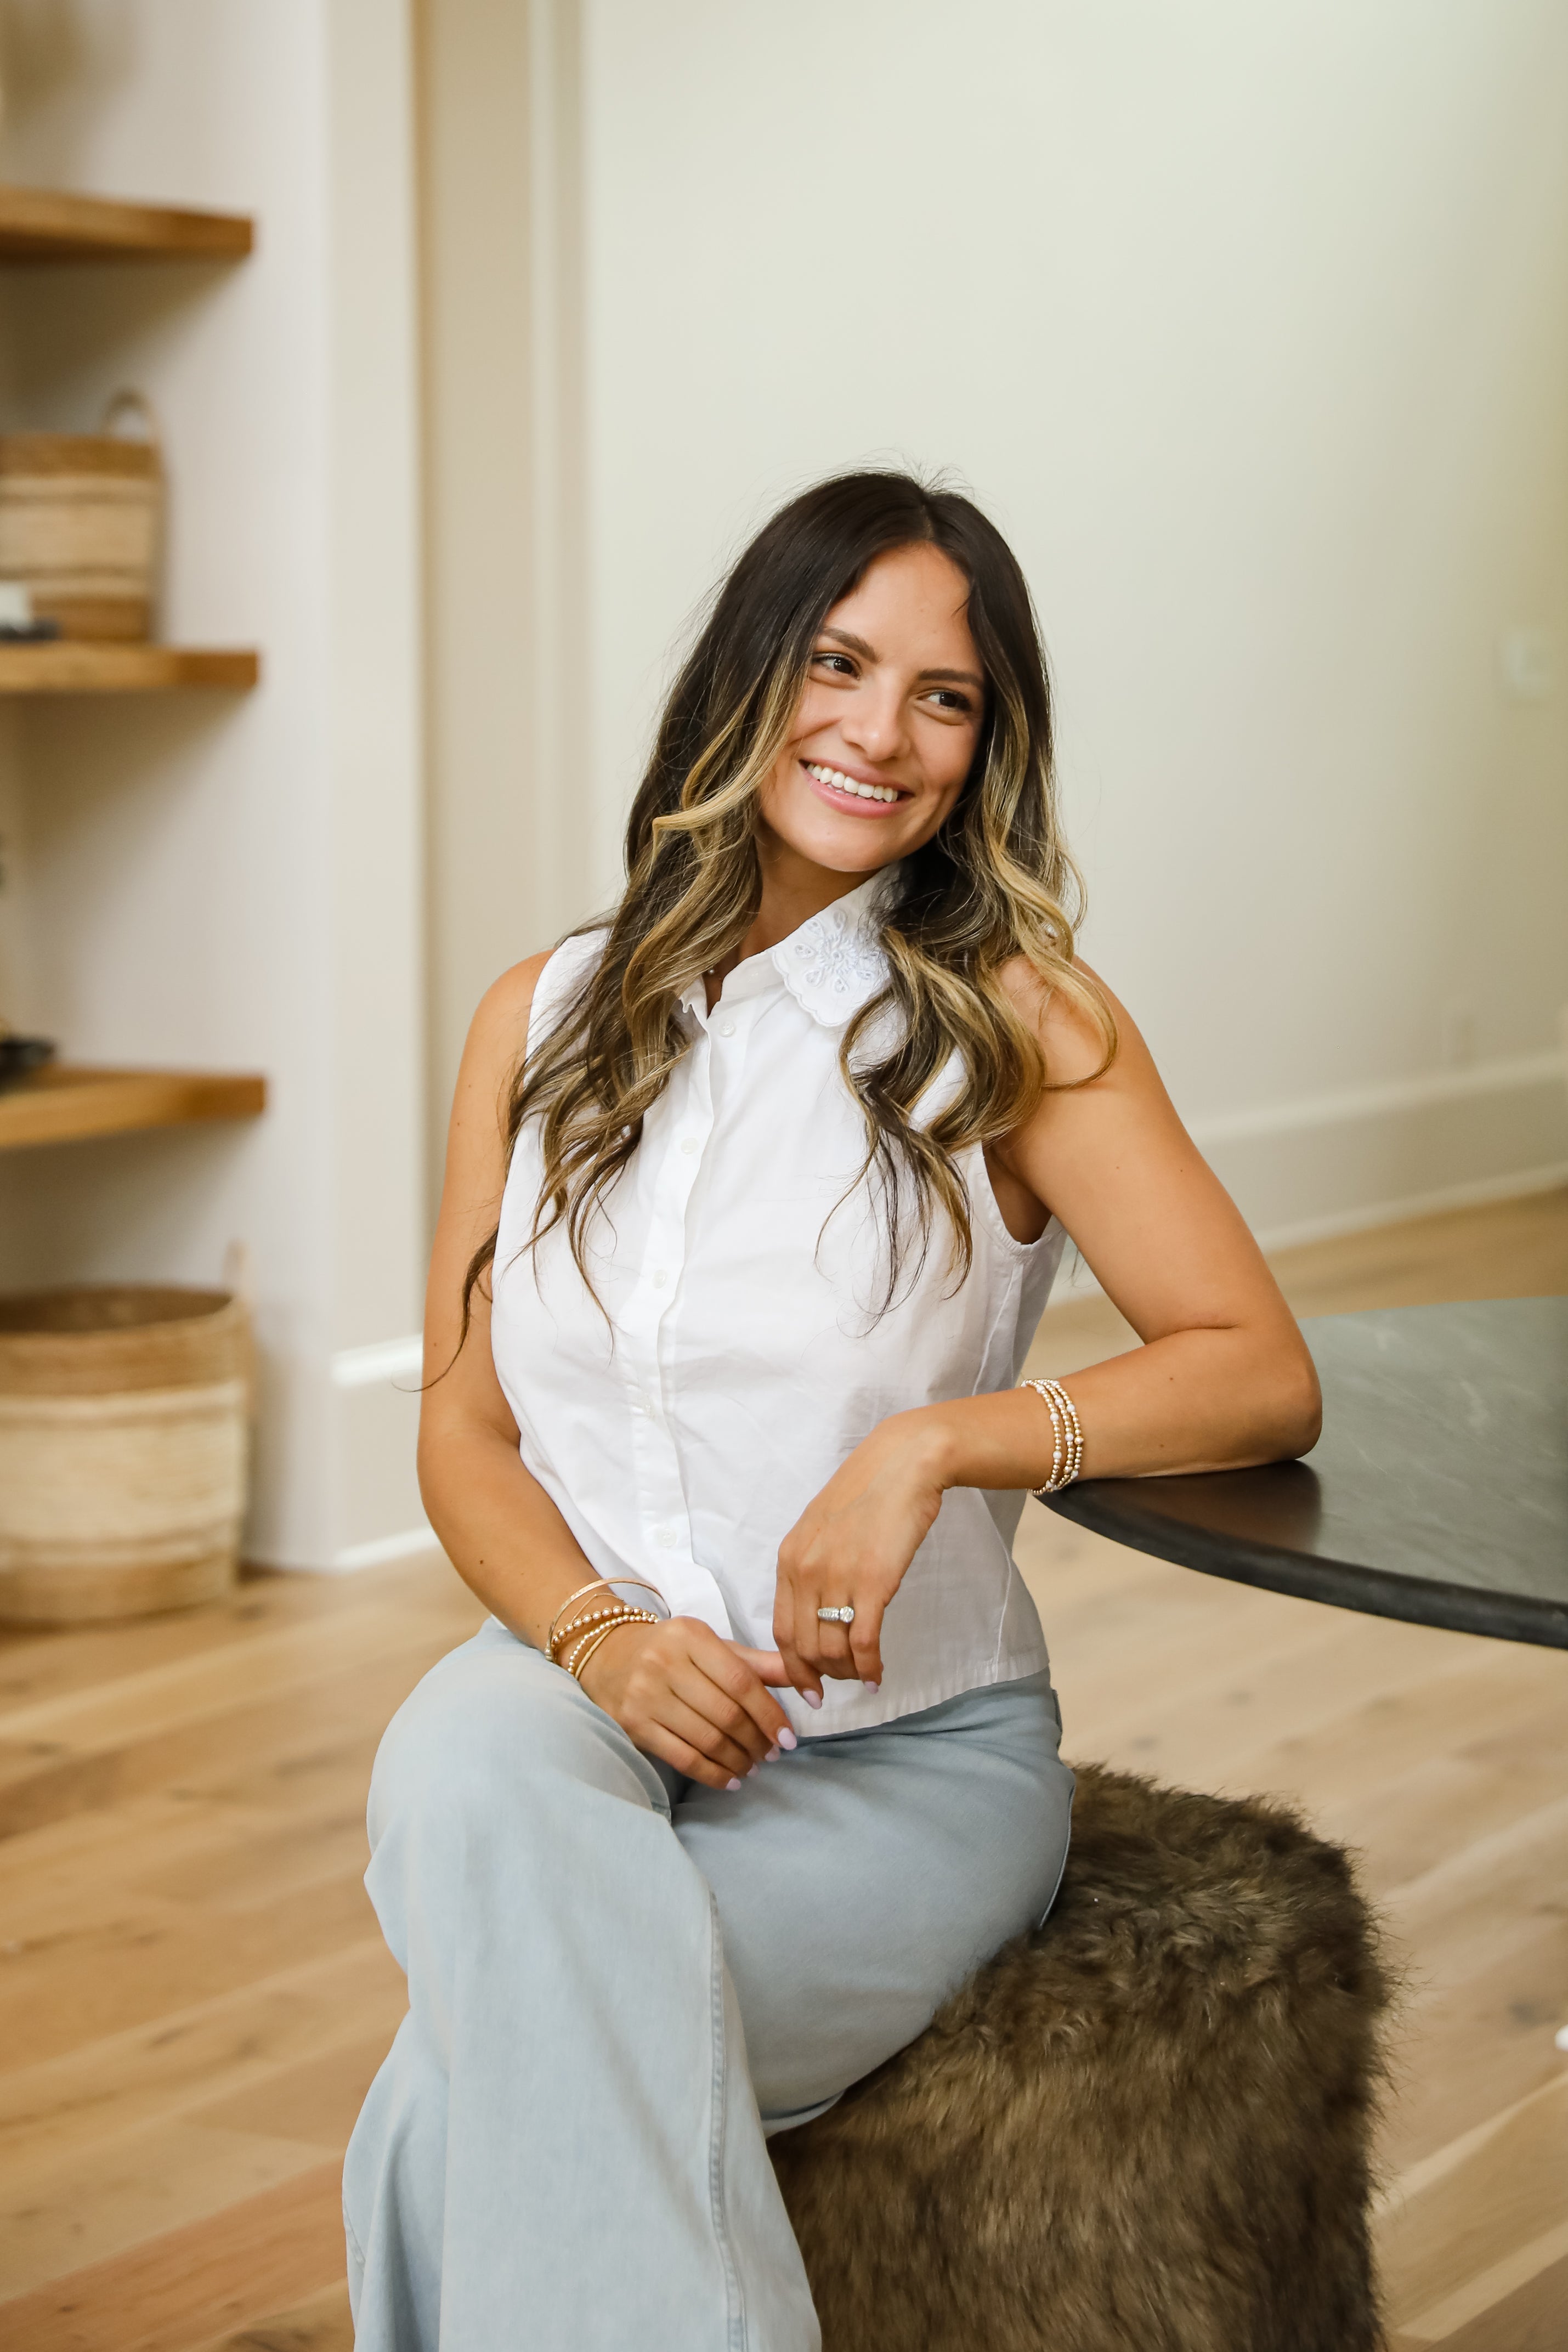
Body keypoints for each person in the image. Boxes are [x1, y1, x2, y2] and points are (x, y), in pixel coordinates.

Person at [343, 471, 1320, 2350]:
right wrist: (602, 1639)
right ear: (748, 676)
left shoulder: (1017, 1025)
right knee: (457, 1765)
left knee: (456, 2099)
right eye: (838, 662)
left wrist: (933, 1442)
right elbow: (463, 1436)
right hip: (568, 1685)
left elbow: (1252, 1367)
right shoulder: (536, 1020)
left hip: (899, 1760)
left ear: (987, 739)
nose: (880, 733)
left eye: (943, 696)